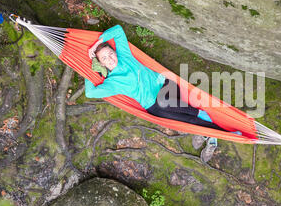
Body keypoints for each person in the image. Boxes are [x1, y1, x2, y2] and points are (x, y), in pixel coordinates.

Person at [85, 25, 226, 157]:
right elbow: (90, 93)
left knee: (163, 102)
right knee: (186, 121)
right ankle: (221, 133)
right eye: (104, 58)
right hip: (153, 107)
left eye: (110, 53)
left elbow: (118, 30)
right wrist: (89, 66)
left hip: (166, 85)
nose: (110, 59)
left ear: (115, 52)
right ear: (101, 64)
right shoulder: (112, 83)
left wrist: (97, 44)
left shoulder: (125, 57)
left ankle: (201, 114)